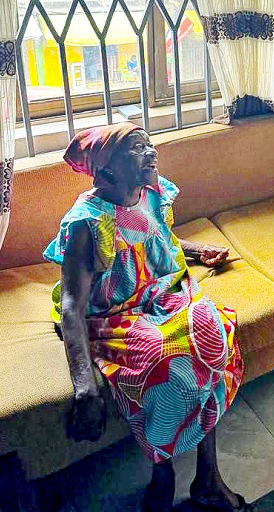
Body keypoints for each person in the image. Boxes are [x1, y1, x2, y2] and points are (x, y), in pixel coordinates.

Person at [43, 122, 252, 512]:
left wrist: (194, 250)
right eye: (136, 149)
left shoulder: (151, 191)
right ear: (105, 170)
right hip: (116, 313)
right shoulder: (87, 223)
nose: (151, 153)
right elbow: (73, 305)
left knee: (211, 336)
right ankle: (163, 468)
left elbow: (157, 239)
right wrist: (84, 385)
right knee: (164, 362)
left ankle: (208, 475)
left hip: (167, 292)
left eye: (149, 144)